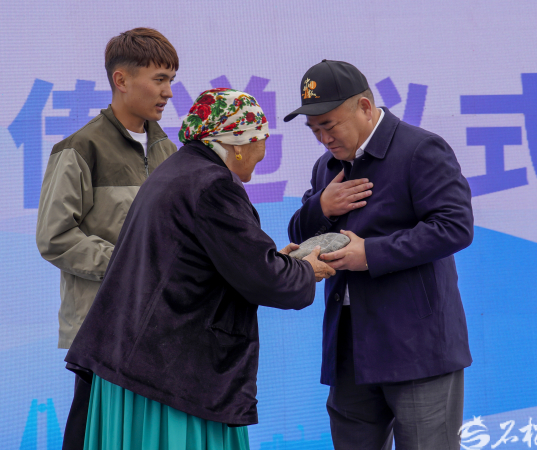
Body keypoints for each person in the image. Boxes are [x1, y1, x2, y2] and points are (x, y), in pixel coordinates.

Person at [64, 89, 335, 449]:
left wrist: (280, 263)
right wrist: (304, 270)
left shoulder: (174, 171)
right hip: (167, 376)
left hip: (128, 361)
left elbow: (226, 260)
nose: (264, 152)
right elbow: (263, 278)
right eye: (263, 140)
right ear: (240, 144)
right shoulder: (215, 185)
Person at [286, 60, 475, 450]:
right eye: (315, 130)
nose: (324, 138)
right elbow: (301, 237)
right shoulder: (326, 167)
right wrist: (321, 206)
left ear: (365, 107)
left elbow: (455, 226)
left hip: (417, 346)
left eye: (330, 125)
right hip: (349, 347)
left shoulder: (420, 149)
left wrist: (370, 254)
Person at [35, 28, 179, 449]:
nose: (169, 92)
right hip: (101, 325)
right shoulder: (79, 148)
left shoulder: (170, 151)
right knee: (93, 433)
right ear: (121, 80)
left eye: (171, 79)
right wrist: (126, 265)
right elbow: (54, 236)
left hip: (159, 324)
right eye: (159, 79)